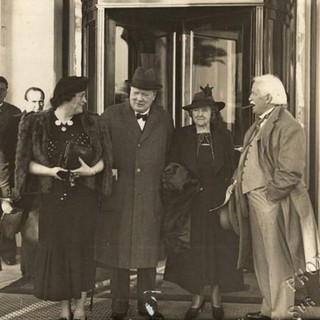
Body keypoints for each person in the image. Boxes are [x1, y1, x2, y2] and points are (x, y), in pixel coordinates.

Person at [13, 76, 112, 320]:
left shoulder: (92, 123)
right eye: (81, 96)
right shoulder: (36, 122)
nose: (85, 101)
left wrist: (90, 171)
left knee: (81, 253)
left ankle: (79, 309)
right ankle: (64, 310)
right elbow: (24, 163)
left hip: (84, 200)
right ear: (69, 97)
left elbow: (105, 160)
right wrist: (51, 172)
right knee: (59, 255)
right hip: (53, 199)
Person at [234, 74, 320, 320]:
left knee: (278, 260)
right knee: (262, 259)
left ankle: (281, 313)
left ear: (268, 98)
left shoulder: (288, 124)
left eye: (254, 94)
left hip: (271, 201)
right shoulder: (262, 122)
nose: (250, 98)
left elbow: (290, 170)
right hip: (256, 200)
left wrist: (270, 196)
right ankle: (269, 310)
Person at [96, 67, 173, 320]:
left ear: (154, 97)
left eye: (145, 94)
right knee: (119, 254)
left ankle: (147, 306)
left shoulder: (164, 119)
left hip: (151, 197)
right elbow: (99, 152)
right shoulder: (110, 116)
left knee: (148, 257)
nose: (139, 98)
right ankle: (118, 305)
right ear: (130, 92)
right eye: (136, 93)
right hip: (120, 196)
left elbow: (169, 155)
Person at [163, 85, 243, 320]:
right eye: (196, 111)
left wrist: (230, 189)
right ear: (191, 114)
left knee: (218, 252)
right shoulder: (181, 136)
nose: (200, 115)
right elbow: (171, 168)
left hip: (218, 204)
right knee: (194, 252)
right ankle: (197, 297)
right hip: (190, 204)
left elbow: (231, 168)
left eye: (205, 111)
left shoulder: (224, 136)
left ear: (212, 114)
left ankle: (216, 296)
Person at [0, 86, 45, 278]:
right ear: (26, 102)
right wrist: (6, 193)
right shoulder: (14, 123)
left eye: (40, 101)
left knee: (33, 231)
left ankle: (31, 275)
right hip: (18, 187)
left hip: (39, 188)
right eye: (33, 101)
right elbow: (4, 159)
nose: (37, 105)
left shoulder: (48, 123)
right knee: (14, 229)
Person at [0, 76, 21, 266]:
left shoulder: (14, 113)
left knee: (7, 209)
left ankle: (8, 253)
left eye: (2, 89)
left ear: (7, 90)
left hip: (6, 166)